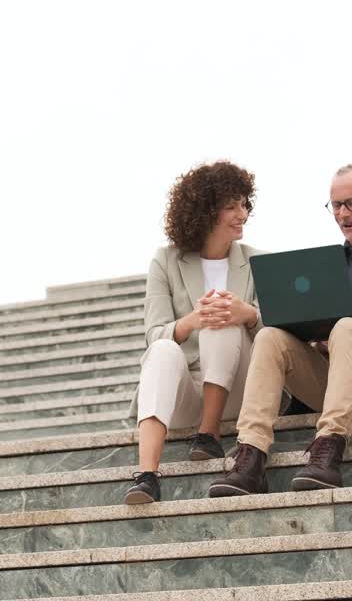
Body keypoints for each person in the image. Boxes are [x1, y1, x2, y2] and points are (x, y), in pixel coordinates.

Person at [208, 163, 352, 496]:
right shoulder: (323, 268)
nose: (343, 213)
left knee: (346, 326)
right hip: (330, 380)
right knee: (271, 335)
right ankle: (251, 455)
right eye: (336, 205)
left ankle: (328, 448)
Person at [124, 161, 263, 504]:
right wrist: (192, 320)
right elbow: (154, 334)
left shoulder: (258, 261)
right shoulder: (165, 261)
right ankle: (146, 476)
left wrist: (246, 315)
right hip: (185, 395)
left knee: (224, 315)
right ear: (204, 211)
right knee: (162, 349)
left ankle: (209, 434)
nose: (242, 213)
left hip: (240, 389)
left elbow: (278, 340)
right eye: (231, 206)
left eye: (245, 204)